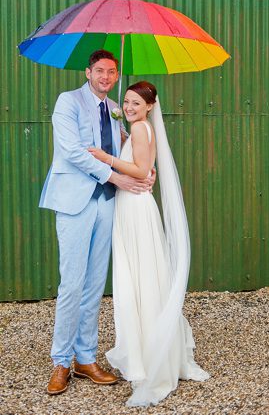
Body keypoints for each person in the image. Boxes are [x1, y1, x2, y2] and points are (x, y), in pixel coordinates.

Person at [88, 81, 210, 407]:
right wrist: (122, 142)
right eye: (126, 102)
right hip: (133, 206)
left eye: (135, 104)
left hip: (136, 208)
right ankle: (148, 350)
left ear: (149, 107)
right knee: (145, 277)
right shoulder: (138, 130)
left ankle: (146, 357)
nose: (128, 108)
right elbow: (143, 161)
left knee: (140, 279)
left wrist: (105, 157)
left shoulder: (141, 129)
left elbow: (141, 170)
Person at [40, 50, 154, 395]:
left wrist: (143, 167)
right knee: (72, 284)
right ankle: (61, 361)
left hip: (106, 203)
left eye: (112, 72)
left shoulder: (117, 109)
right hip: (76, 201)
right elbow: (73, 151)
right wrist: (114, 176)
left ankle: (85, 358)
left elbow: (124, 149)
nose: (106, 76)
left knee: (92, 286)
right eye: (100, 70)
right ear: (88, 72)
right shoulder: (68, 102)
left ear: (116, 77)